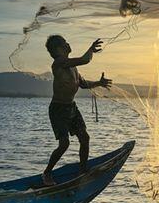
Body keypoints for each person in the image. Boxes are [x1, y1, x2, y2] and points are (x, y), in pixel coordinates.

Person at [42, 35, 112, 186]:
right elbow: (85, 59)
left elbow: (83, 84)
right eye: (65, 43)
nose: (68, 44)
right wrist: (91, 49)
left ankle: (82, 170)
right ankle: (47, 173)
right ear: (58, 49)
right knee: (64, 144)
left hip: (71, 107)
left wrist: (99, 83)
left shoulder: (73, 67)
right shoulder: (59, 63)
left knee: (84, 138)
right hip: (58, 109)